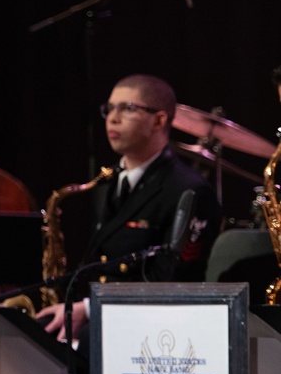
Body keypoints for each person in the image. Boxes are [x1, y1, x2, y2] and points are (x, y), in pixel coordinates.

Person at [39, 74, 222, 342]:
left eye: (128, 108)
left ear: (159, 120)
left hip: (150, 328)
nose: (112, 118)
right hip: (102, 317)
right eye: (109, 109)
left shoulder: (188, 190)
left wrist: (88, 309)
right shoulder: (106, 182)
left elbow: (174, 283)